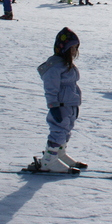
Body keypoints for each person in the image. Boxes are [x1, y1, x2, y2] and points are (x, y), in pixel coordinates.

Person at [29, 27, 86, 173]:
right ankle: (48, 161)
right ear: (64, 48)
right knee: (58, 131)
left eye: (76, 48)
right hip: (60, 106)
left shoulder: (67, 65)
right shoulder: (54, 67)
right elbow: (51, 88)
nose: (74, 51)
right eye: (72, 48)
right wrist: (53, 106)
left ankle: (59, 154)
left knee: (66, 131)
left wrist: (75, 104)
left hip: (70, 105)